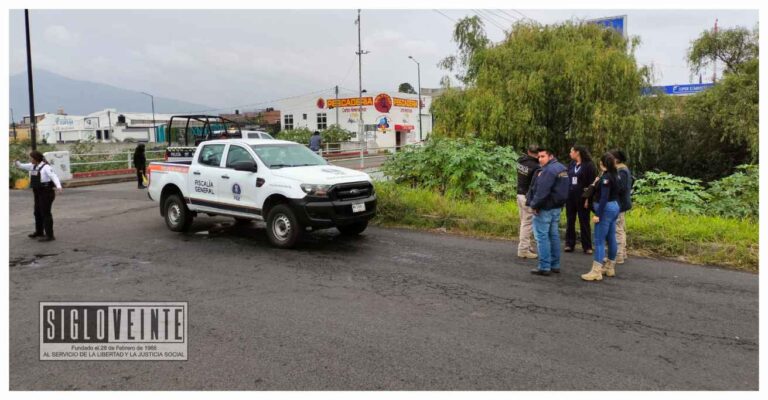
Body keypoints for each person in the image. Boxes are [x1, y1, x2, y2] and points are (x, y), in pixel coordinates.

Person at [527, 148, 569, 276]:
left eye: (543, 156)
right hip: (556, 207)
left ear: (550, 156)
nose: (540, 159)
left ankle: (544, 266)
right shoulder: (562, 168)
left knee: (541, 237)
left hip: (545, 208)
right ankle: (555, 264)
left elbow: (542, 191)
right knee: (554, 235)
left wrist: (534, 205)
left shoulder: (548, 171)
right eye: (538, 157)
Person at [581, 153, 621, 281]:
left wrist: (598, 215)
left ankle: (596, 271)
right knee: (611, 237)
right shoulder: (616, 174)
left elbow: (604, 197)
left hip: (605, 209)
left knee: (599, 240)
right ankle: (610, 267)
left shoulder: (606, 178)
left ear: (602, 163)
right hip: (615, 206)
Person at [14, 150, 63, 242]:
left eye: (31, 158)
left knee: (45, 213)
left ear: (36, 158)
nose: (30, 159)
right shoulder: (32, 166)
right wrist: (16, 161)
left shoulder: (46, 167)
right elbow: (20, 165)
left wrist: (59, 186)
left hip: (46, 191)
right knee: (37, 212)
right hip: (37, 191)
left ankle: (50, 235)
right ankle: (39, 232)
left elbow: (54, 176)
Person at [565, 145, 597, 254]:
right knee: (570, 220)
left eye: (571, 151)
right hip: (570, 196)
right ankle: (569, 243)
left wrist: (588, 199)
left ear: (577, 152)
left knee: (584, 221)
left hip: (583, 197)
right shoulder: (571, 164)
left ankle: (587, 246)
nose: (570, 153)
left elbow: (592, 184)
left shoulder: (589, 165)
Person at [516, 144, 541, 259]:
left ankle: (527, 246)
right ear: (537, 153)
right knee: (527, 223)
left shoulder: (520, 160)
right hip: (527, 196)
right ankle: (523, 250)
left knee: (523, 222)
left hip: (519, 194)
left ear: (528, 151)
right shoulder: (536, 166)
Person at [610, 149, 633, 265]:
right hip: (621, 202)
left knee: (617, 228)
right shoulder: (621, 169)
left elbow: (621, 187)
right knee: (620, 227)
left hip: (620, 203)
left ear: (616, 159)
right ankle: (622, 252)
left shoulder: (621, 171)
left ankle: (618, 255)